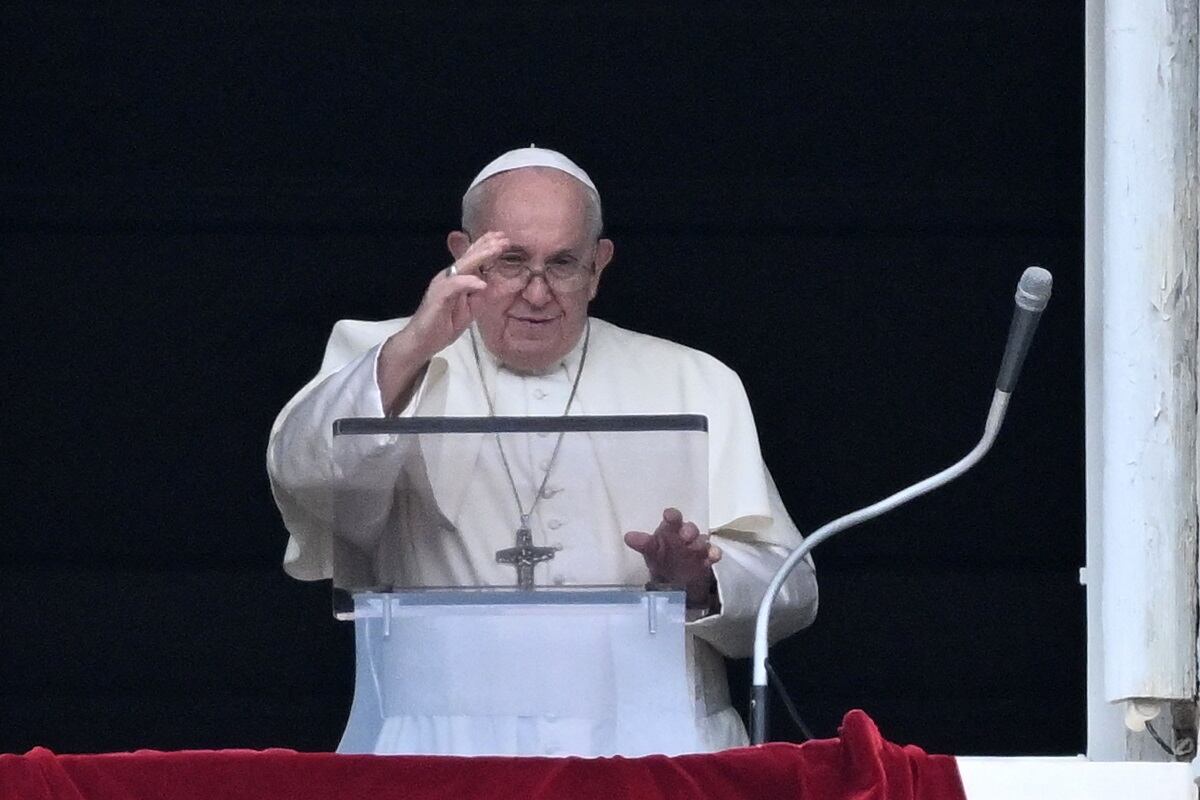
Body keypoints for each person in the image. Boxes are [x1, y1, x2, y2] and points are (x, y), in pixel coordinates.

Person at [267, 146, 818, 754]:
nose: (537, 293)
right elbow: (306, 477)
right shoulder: (383, 358)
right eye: (510, 261)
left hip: (654, 746)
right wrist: (415, 343)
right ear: (461, 254)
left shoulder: (696, 380)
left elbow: (791, 589)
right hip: (438, 747)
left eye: (561, 263)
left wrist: (704, 579)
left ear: (599, 266)